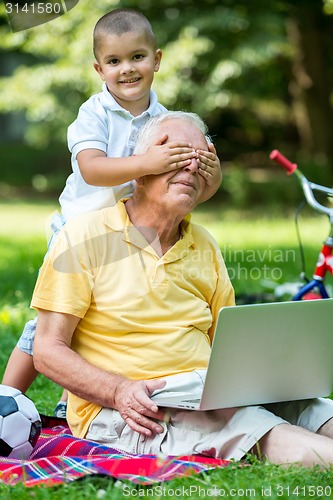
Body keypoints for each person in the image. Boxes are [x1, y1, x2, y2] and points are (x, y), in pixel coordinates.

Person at [32, 111, 333, 467]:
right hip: (135, 408)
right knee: (253, 426)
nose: (190, 169)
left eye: (200, 160)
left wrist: (268, 378)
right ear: (141, 169)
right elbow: (47, 350)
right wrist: (119, 391)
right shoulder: (83, 237)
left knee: (317, 410)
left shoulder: (204, 244)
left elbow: (230, 342)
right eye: (176, 156)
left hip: (205, 391)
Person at [1, 9, 222, 418]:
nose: (127, 69)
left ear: (156, 60)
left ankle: (75, 399)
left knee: (106, 317)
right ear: (98, 69)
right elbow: (92, 169)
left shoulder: (164, 119)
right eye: (115, 62)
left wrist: (211, 172)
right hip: (80, 229)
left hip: (134, 228)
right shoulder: (95, 113)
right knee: (50, 327)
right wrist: (147, 162)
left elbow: (191, 188)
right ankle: (6, 400)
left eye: (137, 57)